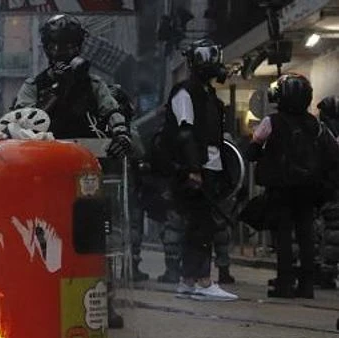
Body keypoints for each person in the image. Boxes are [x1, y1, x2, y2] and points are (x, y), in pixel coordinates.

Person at [248, 74, 339, 298]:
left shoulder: (271, 122)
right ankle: (307, 285)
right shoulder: (315, 124)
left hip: (280, 188)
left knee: (284, 236)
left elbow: (252, 150)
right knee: (306, 235)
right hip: (309, 188)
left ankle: (284, 283)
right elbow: (332, 153)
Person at [162, 39, 238, 301]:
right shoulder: (186, 92)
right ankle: (202, 281)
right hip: (197, 169)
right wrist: (193, 168)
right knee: (200, 226)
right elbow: (185, 132)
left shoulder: (207, 94)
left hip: (209, 167)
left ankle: (190, 280)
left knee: (200, 226)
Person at [14, 14, 131, 158]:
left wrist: (121, 135)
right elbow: (22, 124)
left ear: (78, 48)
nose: (61, 52)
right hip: (44, 159)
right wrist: (57, 90)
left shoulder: (93, 84)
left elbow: (111, 112)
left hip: (88, 158)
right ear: (47, 49)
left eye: (69, 46)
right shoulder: (33, 86)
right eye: (54, 46)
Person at [108, 84, 149, 282]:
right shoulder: (128, 131)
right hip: (125, 183)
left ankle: (120, 265)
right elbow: (139, 152)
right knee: (131, 224)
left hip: (115, 182)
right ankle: (130, 265)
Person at [316, 96, 339, 289]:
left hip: (324, 186)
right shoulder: (327, 133)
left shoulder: (321, 132)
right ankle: (327, 270)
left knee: (327, 230)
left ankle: (324, 270)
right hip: (330, 185)